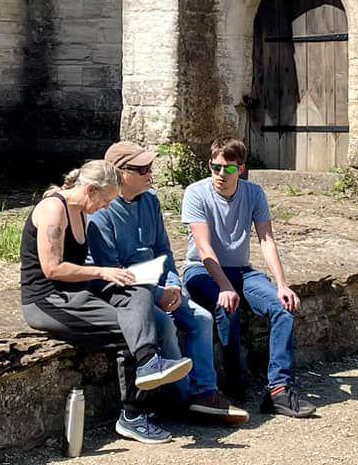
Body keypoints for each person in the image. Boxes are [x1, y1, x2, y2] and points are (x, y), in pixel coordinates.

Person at [19, 159, 193, 445]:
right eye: (105, 200)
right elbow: (52, 268)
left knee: (138, 292)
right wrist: (101, 271)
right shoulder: (53, 209)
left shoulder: (81, 211)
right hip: (47, 301)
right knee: (130, 329)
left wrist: (123, 277)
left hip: (76, 293)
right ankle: (134, 416)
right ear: (89, 191)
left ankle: (149, 363)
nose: (106, 207)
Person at [87, 141, 250, 425]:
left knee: (200, 318)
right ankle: (182, 401)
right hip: (127, 292)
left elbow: (163, 249)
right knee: (164, 324)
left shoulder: (150, 201)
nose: (151, 173)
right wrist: (159, 294)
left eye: (150, 167)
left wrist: (173, 282)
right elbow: (113, 271)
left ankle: (205, 394)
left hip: (160, 284)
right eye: (142, 169)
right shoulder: (101, 212)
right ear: (119, 172)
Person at [179, 137, 317, 418]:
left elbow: (266, 239)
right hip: (201, 269)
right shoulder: (196, 193)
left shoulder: (254, 193)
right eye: (215, 167)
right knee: (226, 305)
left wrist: (281, 284)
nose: (220, 175)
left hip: (241, 270)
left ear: (240, 170)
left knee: (283, 308)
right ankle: (234, 381)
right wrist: (225, 286)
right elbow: (203, 247)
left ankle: (278, 389)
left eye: (228, 169)